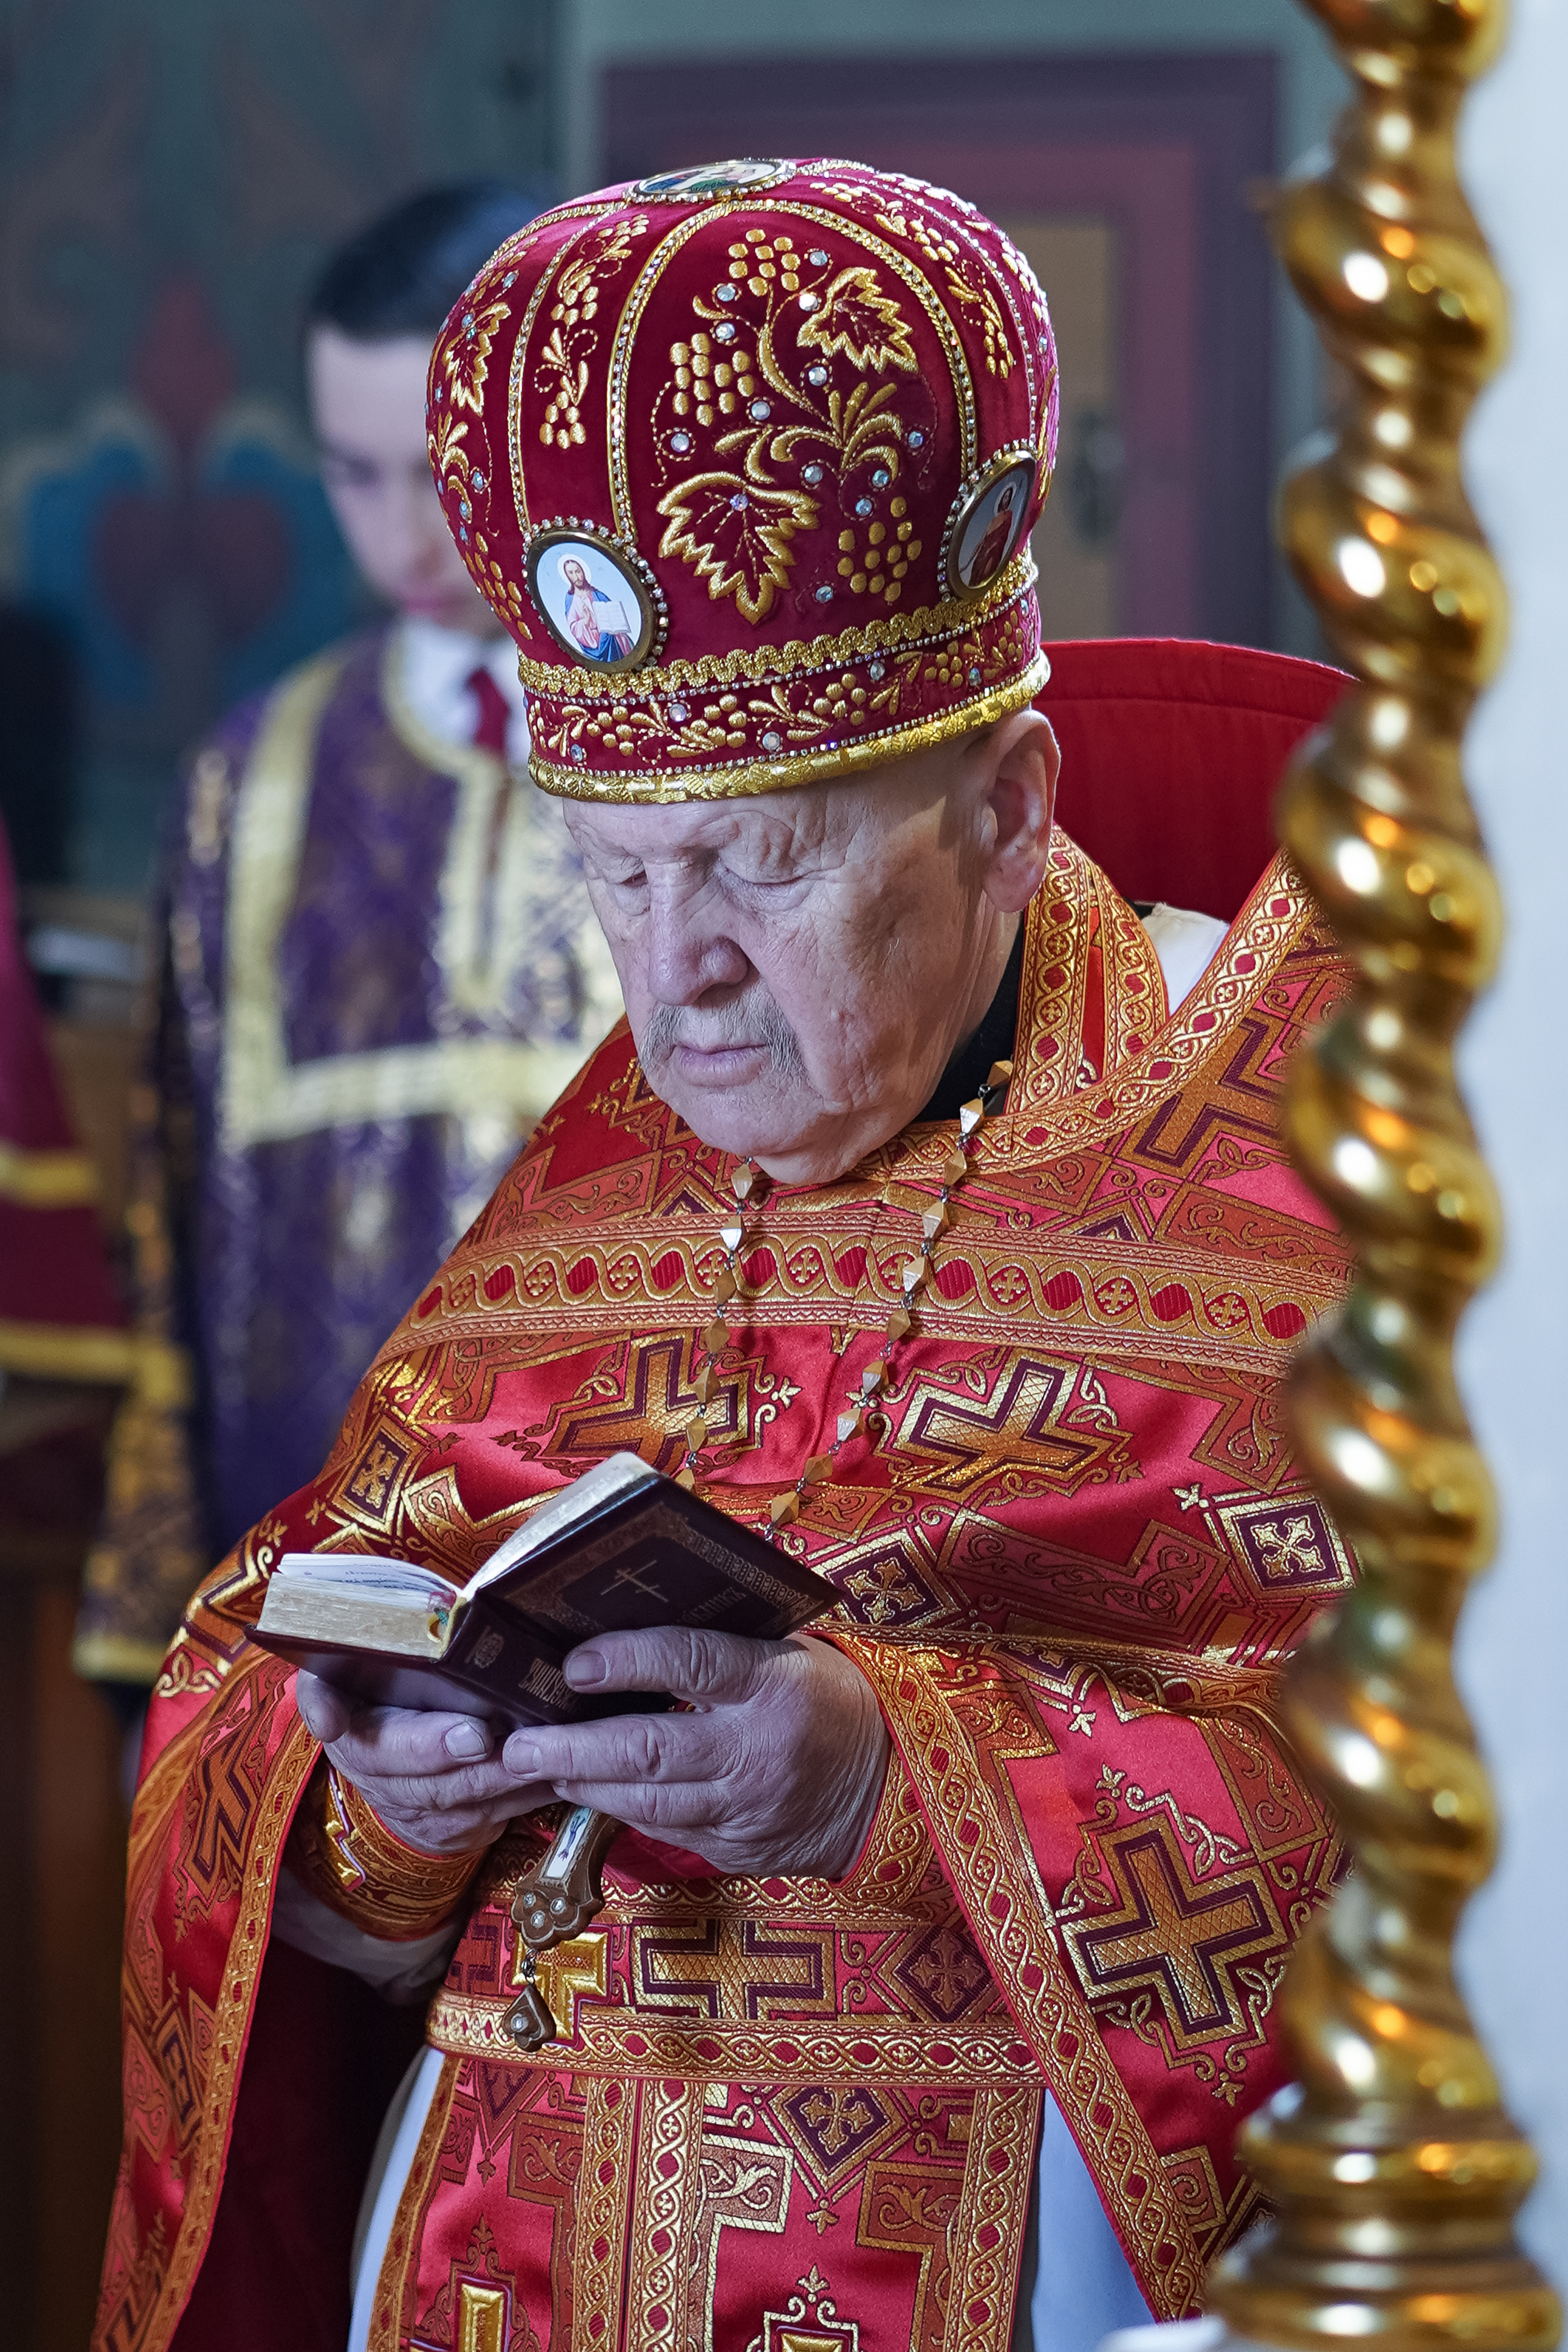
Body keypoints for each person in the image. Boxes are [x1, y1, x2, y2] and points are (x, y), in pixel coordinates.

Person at [97, 162, 1350, 2352]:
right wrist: (374, 1806)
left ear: (1000, 804)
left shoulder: (1331, 1143)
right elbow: (252, 1727)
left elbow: (1469, 1820)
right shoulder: (607, 1166)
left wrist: (887, 1775)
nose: (672, 987)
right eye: (612, 880)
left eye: (762, 870)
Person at [73, 186, 624, 1716]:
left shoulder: (697, 758)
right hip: (320, 1603)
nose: (401, 535)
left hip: (640, 1570)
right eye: (354, 473)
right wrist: (161, 1627)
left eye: (439, 474)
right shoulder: (248, 783)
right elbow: (174, 1219)